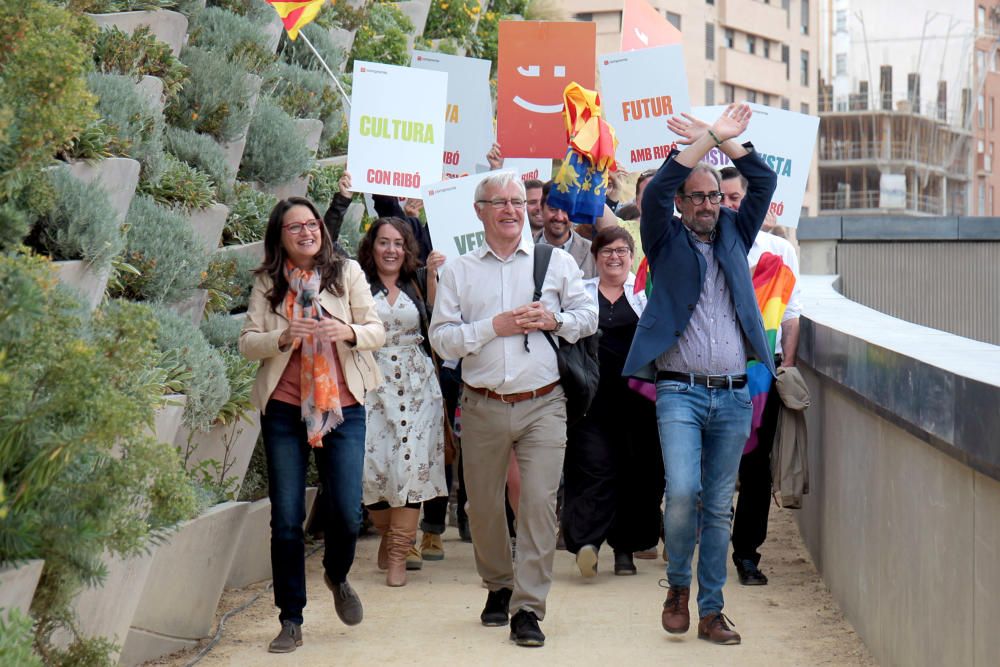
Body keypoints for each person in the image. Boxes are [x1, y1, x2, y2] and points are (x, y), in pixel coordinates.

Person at [622, 103, 778, 645]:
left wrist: (727, 143)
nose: (710, 204)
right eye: (699, 197)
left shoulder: (738, 231)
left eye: (715, 195)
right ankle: (677, 587)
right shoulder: (663, 238)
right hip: (680, 393)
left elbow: (763, 178)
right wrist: (705, 138)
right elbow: (659, 186)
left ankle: (712, 610)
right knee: (684, 492)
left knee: (718, 505)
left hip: (734, 395)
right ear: (682, 205)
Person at [429, 172, 597, 647]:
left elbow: (588, 318)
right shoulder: (460, 270)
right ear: (479, 211)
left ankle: (528, 608)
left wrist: (554, 319)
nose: (510, 209)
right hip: (481, 405)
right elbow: (441, 339)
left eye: (518, 202)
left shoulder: (556, 262)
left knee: (539, 504)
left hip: (544, 403)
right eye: (499, 202)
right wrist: (492, 327)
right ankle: (499, 585)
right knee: (481, 506)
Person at [239, 196, 385, 653]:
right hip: (284, 409)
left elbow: (377, 329)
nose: (306, 232)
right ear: (279, 237)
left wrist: (347, 332)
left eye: (312, 224)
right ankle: (291, 619)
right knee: (285, 519)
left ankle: (337, 575)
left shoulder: (346, 274)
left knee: (346, 511)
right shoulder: (267, 282)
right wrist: (282, 337)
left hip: (343, 406)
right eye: (294, 227)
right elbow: (247, 343)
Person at [561, 227, 664, 578]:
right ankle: (587, 543)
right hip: (591, 402)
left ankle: (626, 550)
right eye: (607, 251)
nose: (614, 257)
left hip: (639, 404)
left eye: (622, 250)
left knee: (637, 474)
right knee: (593, 469)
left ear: (631, 256)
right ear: (595, 257)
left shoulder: (646, 294)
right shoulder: (580, 293)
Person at [719, 166, 802, 586]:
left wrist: (786, 363)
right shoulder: (704, 246)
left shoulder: (779, 252)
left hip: (760, 376)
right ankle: (709, 543)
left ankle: (747, 553)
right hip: (710, 370)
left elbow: (790, 313)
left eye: (737, 198)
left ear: (753, 202)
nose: (730, 206)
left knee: (755, 469)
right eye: (724, 198)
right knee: (710, 465)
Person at [356, 216, 449, 587]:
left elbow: (441, 323)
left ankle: (398, 554)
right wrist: (343, 200)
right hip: (370, 383)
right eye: (383, 242)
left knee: (410, 468)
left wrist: (434, 280)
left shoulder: (417, 278)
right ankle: (386, 533)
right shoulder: (358, 284)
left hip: (417, 385)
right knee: (372, 467)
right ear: (372, 246)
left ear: (407, 248)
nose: (391, 249)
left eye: (398, 243)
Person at [536, 181, 597, 278]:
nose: (559, 217)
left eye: (566, 209)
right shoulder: (525, 249)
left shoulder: (593, 253)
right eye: (553, 208)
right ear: (541, 209)